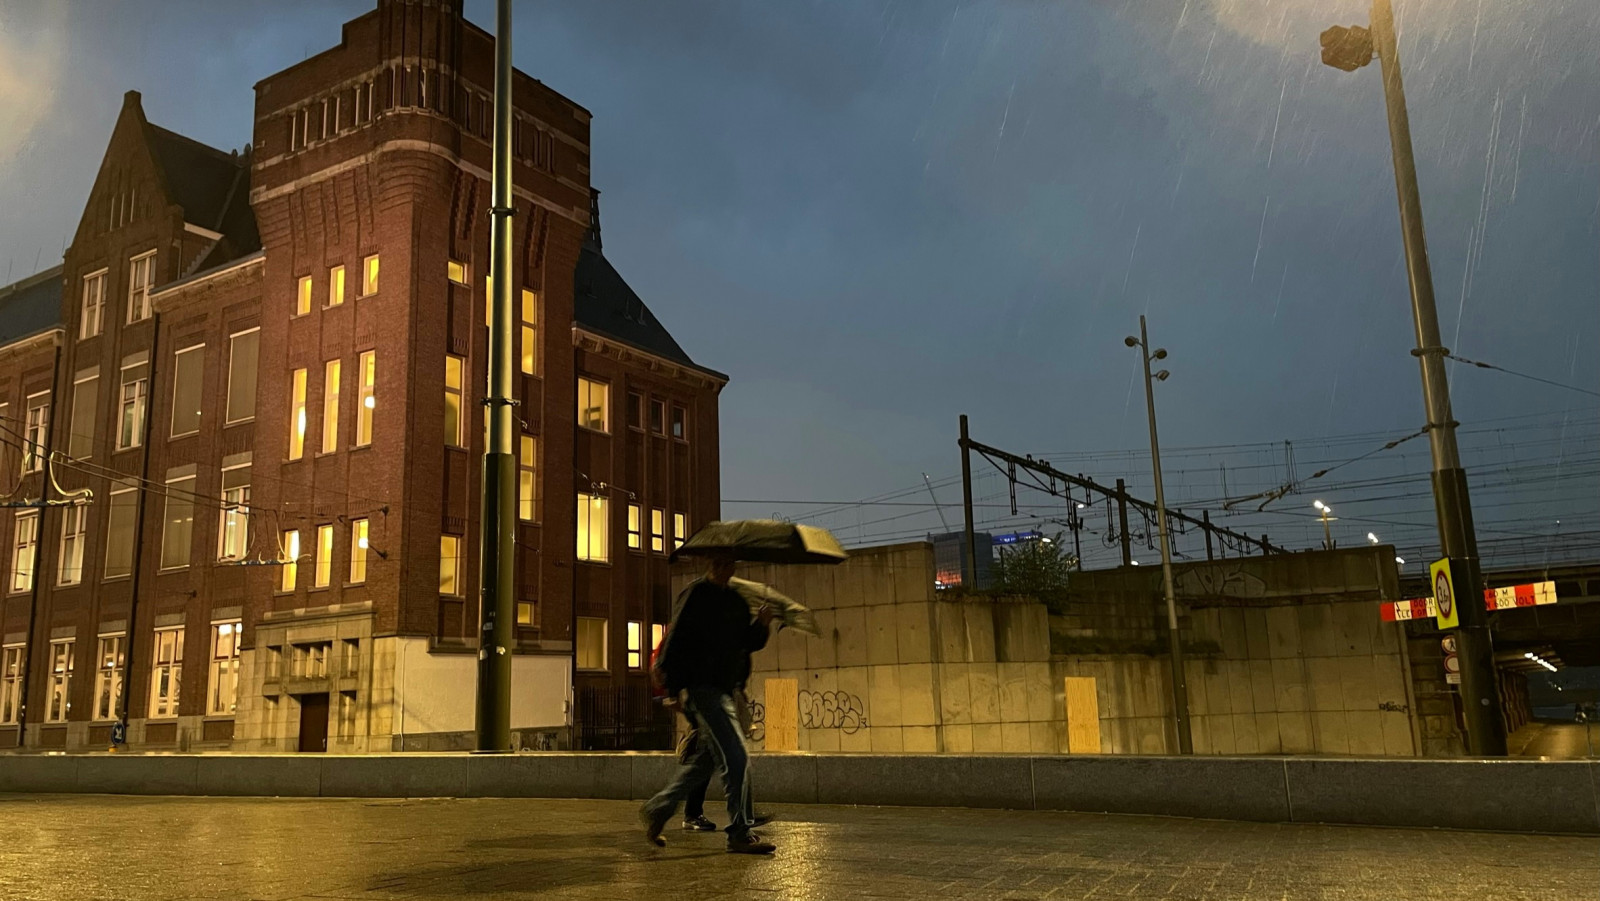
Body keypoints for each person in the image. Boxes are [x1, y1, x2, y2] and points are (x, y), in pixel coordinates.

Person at [641, 554, 776, 854]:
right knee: (736, 757)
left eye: (728, 562)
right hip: (703, 689)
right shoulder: (696, 594)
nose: (723, 567)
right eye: (718, 562)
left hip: (725, 689)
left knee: (704, 763)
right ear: (710, 565)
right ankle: (739, 832)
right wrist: (670, 682)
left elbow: (747, 642)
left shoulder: (735, 603)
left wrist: (762, 625)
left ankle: (658, 808)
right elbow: (677, 637)